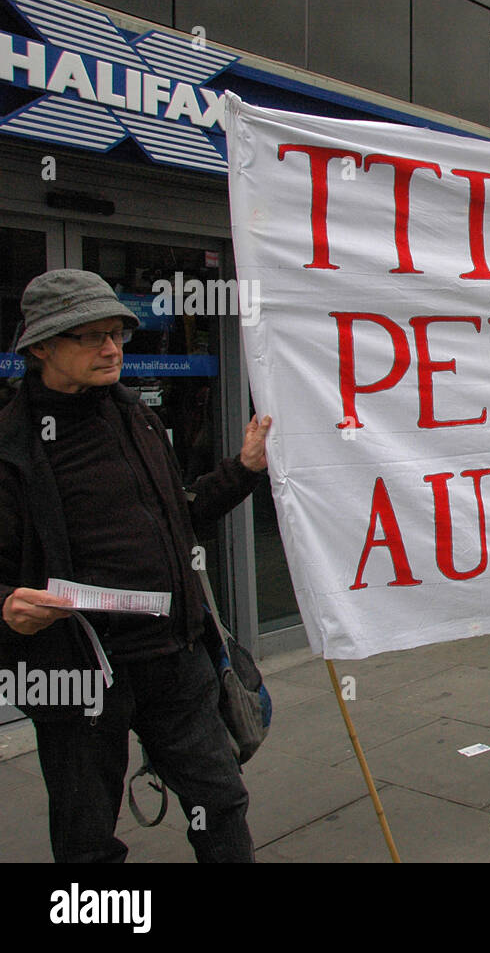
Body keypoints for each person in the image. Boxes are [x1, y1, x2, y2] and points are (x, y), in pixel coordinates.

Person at [0, 269, 271, 863]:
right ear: (40, 346)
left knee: (220, 802)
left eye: (118, 334)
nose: (111, 348)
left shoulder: (134, 417)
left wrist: (245, 468)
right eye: (89, 336)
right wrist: (8, 607)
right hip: (78, 676)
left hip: (173, 659)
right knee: (86, 835)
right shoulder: (13, 446)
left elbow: (182, 511)